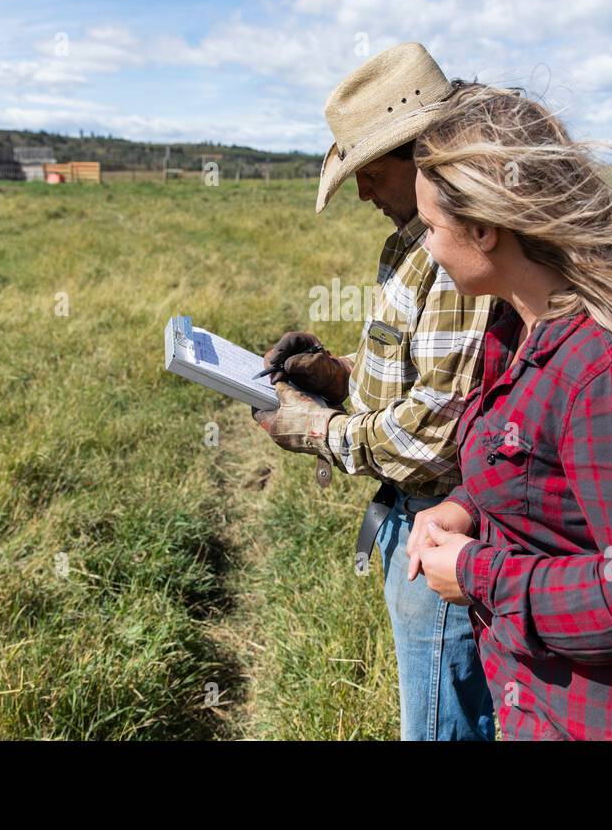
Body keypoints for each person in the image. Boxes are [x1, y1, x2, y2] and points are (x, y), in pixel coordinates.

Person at [404, 82, 612, 740]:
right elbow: (545, 472)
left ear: (483, 227)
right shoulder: (521, 328)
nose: (427, 248)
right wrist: (467, 504)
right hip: (544, 703)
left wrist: (478, 573)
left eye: (433, 228)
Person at [252, 43, 496, 740]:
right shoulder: (409, 245)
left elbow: (430, 433)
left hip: (438, 517)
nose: (361, 192)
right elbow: (416, 372)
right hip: (409, 513)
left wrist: (316, 430)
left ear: (423, 157)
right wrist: (337, 374)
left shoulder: (455, 256)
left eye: (370, 171)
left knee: (439, 724)